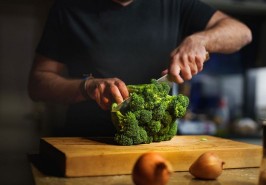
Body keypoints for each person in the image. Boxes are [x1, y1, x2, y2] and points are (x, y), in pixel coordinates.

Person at [28, 0, 252, 137]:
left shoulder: (175, 3)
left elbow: (242, 32)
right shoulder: (67, 8)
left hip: (158, 141)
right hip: (85, 140)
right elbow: (38, 83)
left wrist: (201, 40)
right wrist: (88, 87)